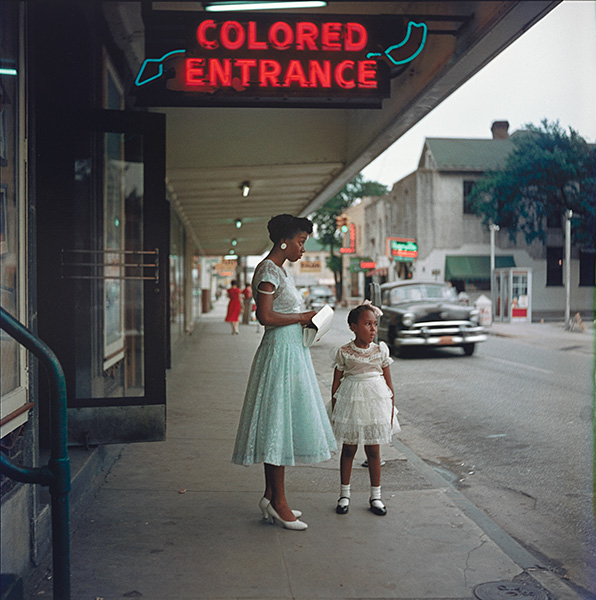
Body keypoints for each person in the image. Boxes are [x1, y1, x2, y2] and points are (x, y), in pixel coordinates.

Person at [232, 214, 336, 530]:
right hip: (279, 352)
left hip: (292, 351)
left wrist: (307, 320)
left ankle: (270, 495)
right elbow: (264, 316)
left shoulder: (280, 271)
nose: (303, 249)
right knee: (277, 424)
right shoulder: (267, 270)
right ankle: (279, 502)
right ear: (284, 241)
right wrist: (302, 315)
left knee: (282, 423)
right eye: (301, 242)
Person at [329, 301, 399, 516]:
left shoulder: (380, 351)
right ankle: (344, 494)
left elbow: (389, 385)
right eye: (367, 324)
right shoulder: (344, 352)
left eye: (375, 324)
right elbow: (336, 383)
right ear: (353, 327)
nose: (373, 329)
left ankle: (376, 496)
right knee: (349, 449)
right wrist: (335, 410)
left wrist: (389, 410)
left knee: (373, 450)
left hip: (375, 403)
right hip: (351, 402)